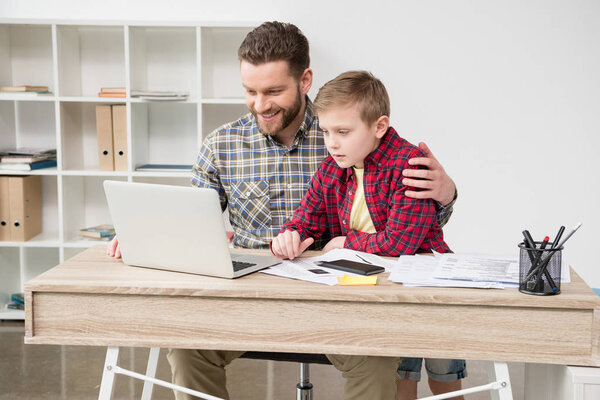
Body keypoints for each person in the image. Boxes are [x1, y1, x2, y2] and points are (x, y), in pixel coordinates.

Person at [107, 21, 462, 399]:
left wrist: (446, 195)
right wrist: (146, 233)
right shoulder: (222, 144)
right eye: (250, 91)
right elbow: (190, 220)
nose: (261, 105)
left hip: (333, 300)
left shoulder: (344, 133)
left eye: (274, 91)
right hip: (245, 298)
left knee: (375, 360)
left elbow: (407, 228)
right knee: (186, 348)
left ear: (305, 80)